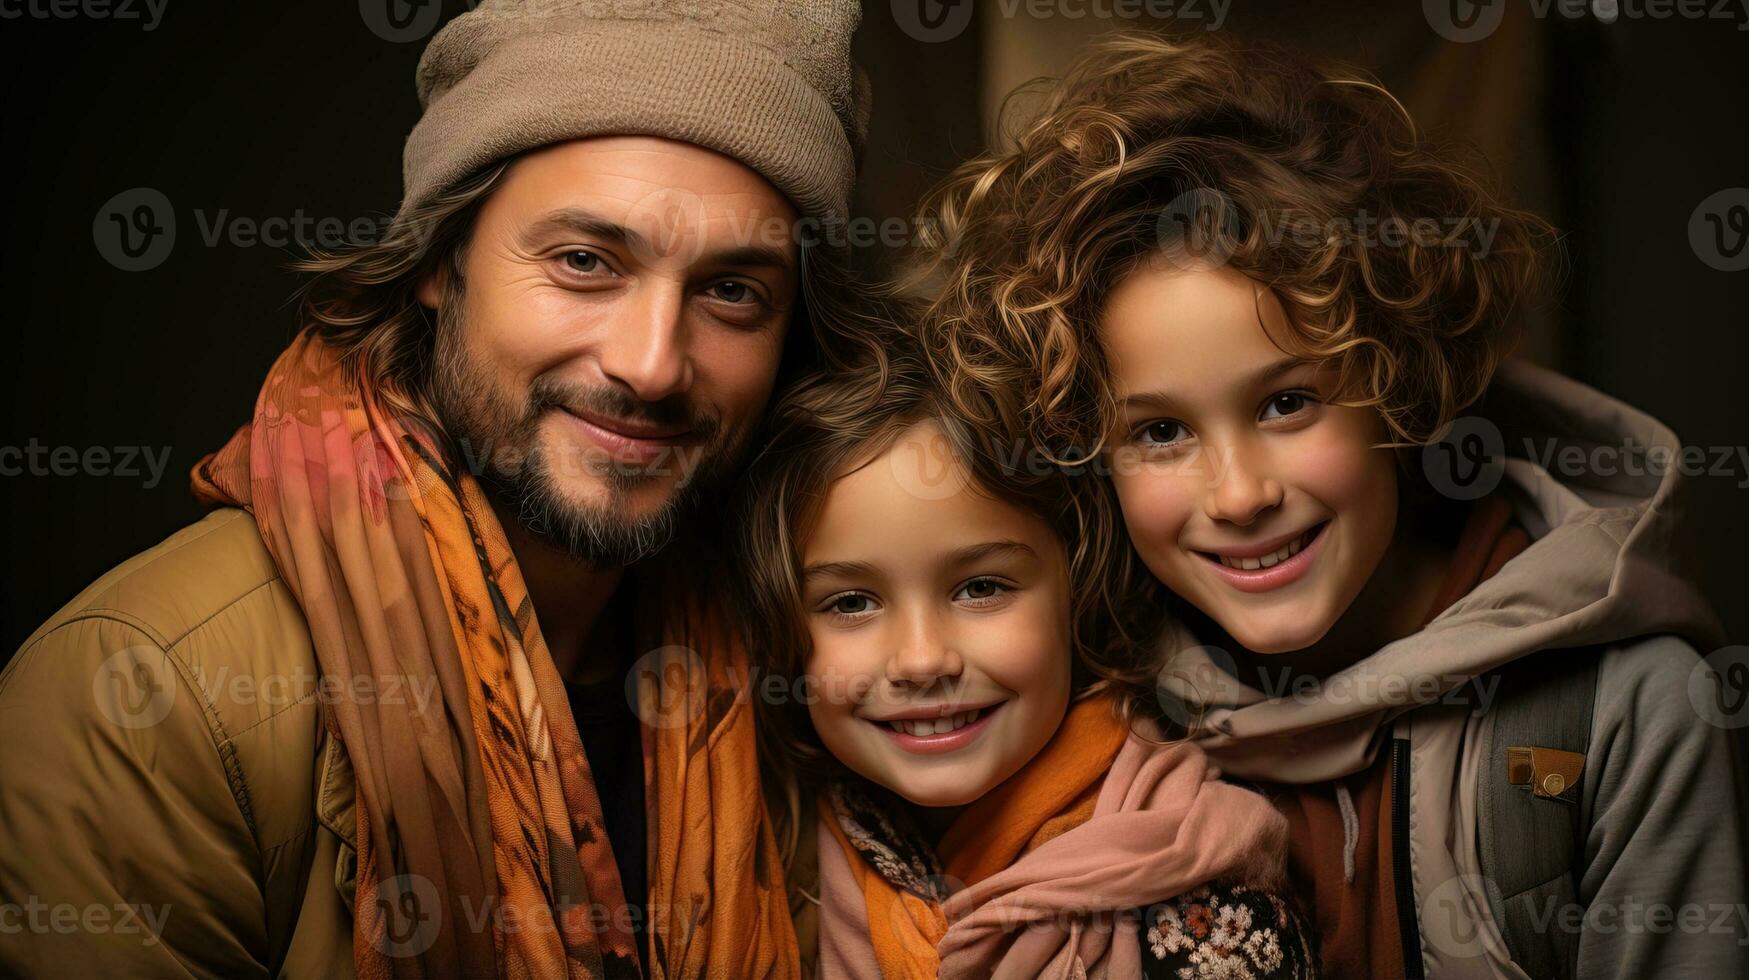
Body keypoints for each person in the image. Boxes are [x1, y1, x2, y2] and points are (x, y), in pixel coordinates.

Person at [0, 1, 872, 977]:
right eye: (585, 261)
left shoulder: (816, 670)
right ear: (437, 262)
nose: (653, 364)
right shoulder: (155, 696)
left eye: (731, 291)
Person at [908, 32, 1748, 979]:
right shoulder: (1088, 716)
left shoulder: (1623, 713)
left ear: (1397, 387)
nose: (1239, 495)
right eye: (1157, 434)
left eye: (1286, 403)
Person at [736, 330, 1318, 979]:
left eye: (981, 588)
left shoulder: (1201, 903)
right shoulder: (772, 881)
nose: (922, 660)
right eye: (850, 603)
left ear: (1079, 590)